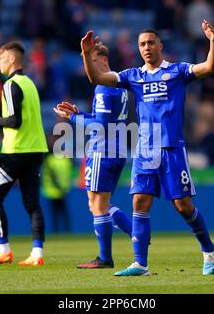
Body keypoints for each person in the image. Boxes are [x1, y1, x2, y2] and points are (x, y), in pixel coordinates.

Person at [79, 20, 214, 276]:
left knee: (183, 206)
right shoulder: (133, 76)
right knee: (139, 203)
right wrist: (87, 54)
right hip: (145, 151)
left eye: (150, 43)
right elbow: (96, 77)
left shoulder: (178, 71)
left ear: (160, 46)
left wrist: (213, 42)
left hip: (172, 149)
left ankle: (208, 249)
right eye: (142, 44)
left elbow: (210, 66)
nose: (146, 47)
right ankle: (140, 264)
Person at [54, 42, 132, 269]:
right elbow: (104, 117)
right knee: (102, 204)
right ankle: (137, 235)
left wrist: (72, 120)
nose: (86, 66)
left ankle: (106, 257)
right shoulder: (118, 84)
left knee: (97, 205)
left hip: (102, 150)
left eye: (89, 60)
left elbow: (100, 125)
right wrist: (81, 113)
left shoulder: (103, 87)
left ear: (102, 61)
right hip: (118, 150)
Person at [0, 41, 49, 266]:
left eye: (1, 57)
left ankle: (3, 249)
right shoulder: (30, 84)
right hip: (36, 151)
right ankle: (37, 254)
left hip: (16, 152)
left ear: (12, 59)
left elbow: (14, 122)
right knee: (33, 204)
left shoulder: (9, 84)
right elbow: (21, 118)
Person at [41, 134, 73, 233]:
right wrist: (60, 187)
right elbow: (52, 175)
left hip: (60, 191)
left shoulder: (64, 159)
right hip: (53, 191)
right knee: (58, 214)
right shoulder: (50, 159)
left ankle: (64, 232)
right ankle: (59, 232)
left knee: (62, 214)